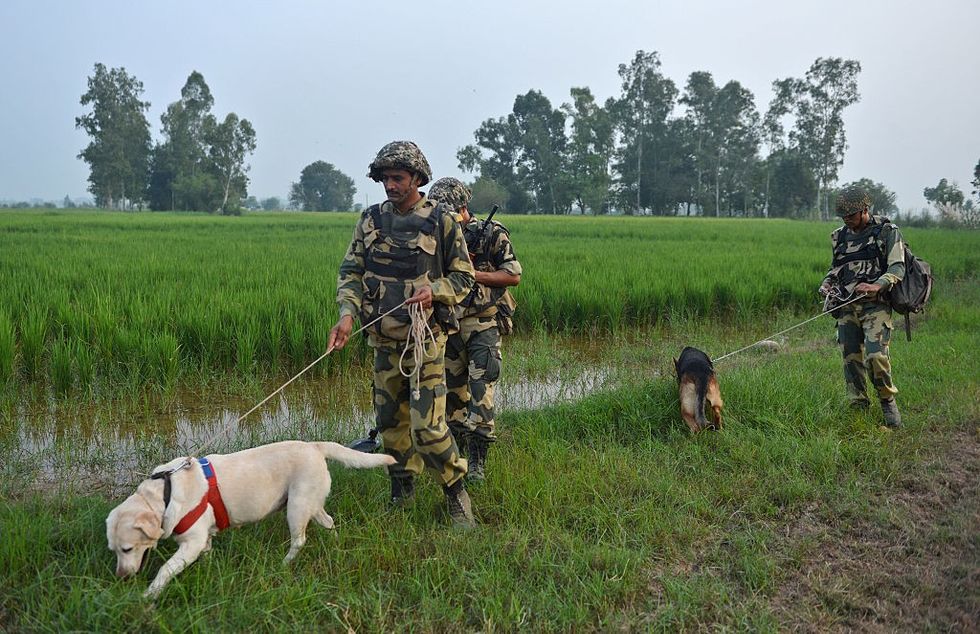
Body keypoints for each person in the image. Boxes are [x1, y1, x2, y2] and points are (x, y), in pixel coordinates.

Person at [327, 141, 476, 527]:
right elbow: (351, 274)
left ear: (417, 179)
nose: (390, 186)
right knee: (391, 426)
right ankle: (401, 491)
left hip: (425, 342)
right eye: (385, 179)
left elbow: (464, 277)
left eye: (398, 178)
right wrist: (347, 314)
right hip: (383, 341)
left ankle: (456, 493)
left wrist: (435, 292)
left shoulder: (441, 220)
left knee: (427, 428)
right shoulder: (371, 220)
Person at [427, 177, 522, 481]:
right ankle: (458, 457)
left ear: (464, 209)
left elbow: (512, 275)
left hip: (484, 323)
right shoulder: (437, 236)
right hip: (450, 323)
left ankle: (478, 462)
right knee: (453, 397)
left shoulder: (492, 233)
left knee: (481, 392)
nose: (445, 220)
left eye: (450, 215)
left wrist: (472, 274)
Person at [819, 186, 906, 429]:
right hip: (847, 306)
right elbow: (836, 268)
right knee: (850, 357)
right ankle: (858, 405)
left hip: (875, 306)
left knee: (876, 356)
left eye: (852, 215)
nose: (847, 220)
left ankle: (888, 403)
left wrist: (876, 285)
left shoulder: (887, 231)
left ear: (865, 210)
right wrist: (827, 284)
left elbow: (897, 268)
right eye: (843, 216)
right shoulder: (839, 236)